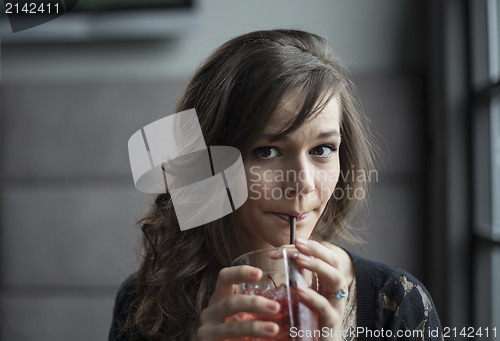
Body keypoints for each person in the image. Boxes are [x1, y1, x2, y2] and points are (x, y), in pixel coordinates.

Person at [109, 29, 443, 341]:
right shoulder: (146, 304)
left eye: (322, 150)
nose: (303, 184)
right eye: (267, 151)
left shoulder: (398, 303)